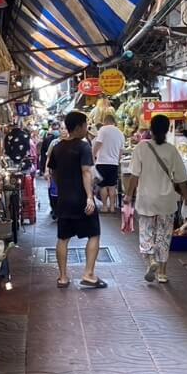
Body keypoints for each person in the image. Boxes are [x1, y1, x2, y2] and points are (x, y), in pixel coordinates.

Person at [125, 114, 187, 284]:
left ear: (151, 129)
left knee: (146, 232)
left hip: (146, 199)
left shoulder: (141, 148)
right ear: (167, 130)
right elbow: (181, 178)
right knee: (164, 236)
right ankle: (162, 273)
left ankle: (151, 260)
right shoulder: (171, 150)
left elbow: (134, 175)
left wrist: (128, 195)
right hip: (166, 201)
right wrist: (186, 196)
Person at [46, 110, 104, 289]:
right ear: (79, 127)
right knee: (94, 234)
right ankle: (88, 274)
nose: (87, 128)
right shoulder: (83, 146)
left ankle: (63, 277)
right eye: (85, 125)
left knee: (63, 238)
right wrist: (89, 197)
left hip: (63, 200)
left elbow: (53, 172)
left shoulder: (57, 147)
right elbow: (86, 172)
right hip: (81, 200)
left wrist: (62, 187)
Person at [92, 114, 125, 213]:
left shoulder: (103, 130)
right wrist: (117, 161)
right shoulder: (120, 133)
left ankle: (105, 207)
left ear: (105, 121)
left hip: (102, 162)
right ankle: (112, 207)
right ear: (114, 122)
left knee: (103, 186)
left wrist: (93, 155)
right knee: (112, 186)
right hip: (114, 164)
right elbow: (121, 151)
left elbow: (98, 143)